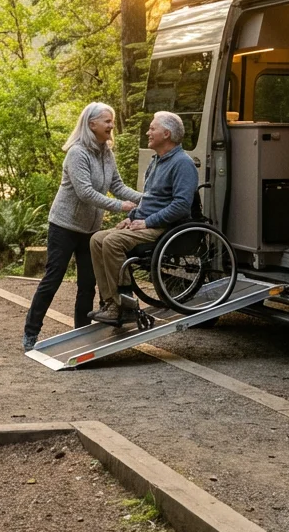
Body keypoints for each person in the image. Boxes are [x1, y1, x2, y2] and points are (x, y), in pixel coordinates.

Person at [22, 102, 142, 351]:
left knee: (87, 283)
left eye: (112, 121)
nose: (111, 125)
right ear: (92, 124)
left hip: (90, 230)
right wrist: (121, 207)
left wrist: (146, 198)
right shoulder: (77, 153)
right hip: (64, 227)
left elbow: (117, 185)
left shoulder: (106, 152)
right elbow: (85, 192)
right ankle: (30, 332)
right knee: (52, 279)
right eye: (107, 121)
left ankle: (81, 335)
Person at [89, 111, 197, 327]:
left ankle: (125, 305)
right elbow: (148, 200)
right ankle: (112, 302)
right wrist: (131, 218)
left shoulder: (183, 164)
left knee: (112, 242)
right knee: (97, 239)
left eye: (152, 128)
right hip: (146, 222)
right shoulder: (157, 160)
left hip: (166, 227)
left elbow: (181, 206)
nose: (148, 132)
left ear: (166, 134)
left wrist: (147, 222)